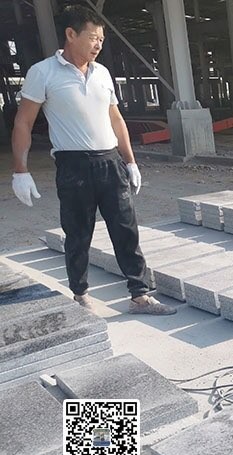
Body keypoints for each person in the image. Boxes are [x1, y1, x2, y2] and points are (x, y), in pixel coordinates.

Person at [11, 5, 175, 315]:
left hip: (110, 162)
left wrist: (130, 161)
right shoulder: (43, 72)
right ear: (71, 34)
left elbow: (116, 119)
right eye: (92, 37)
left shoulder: (102, 73)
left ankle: (139, 295)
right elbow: (24, 122)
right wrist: (21, 170)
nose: (98, 44)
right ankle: (81, 295)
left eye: (101, 39)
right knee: (78, 233)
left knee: (126, 229)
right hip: (74, 166)